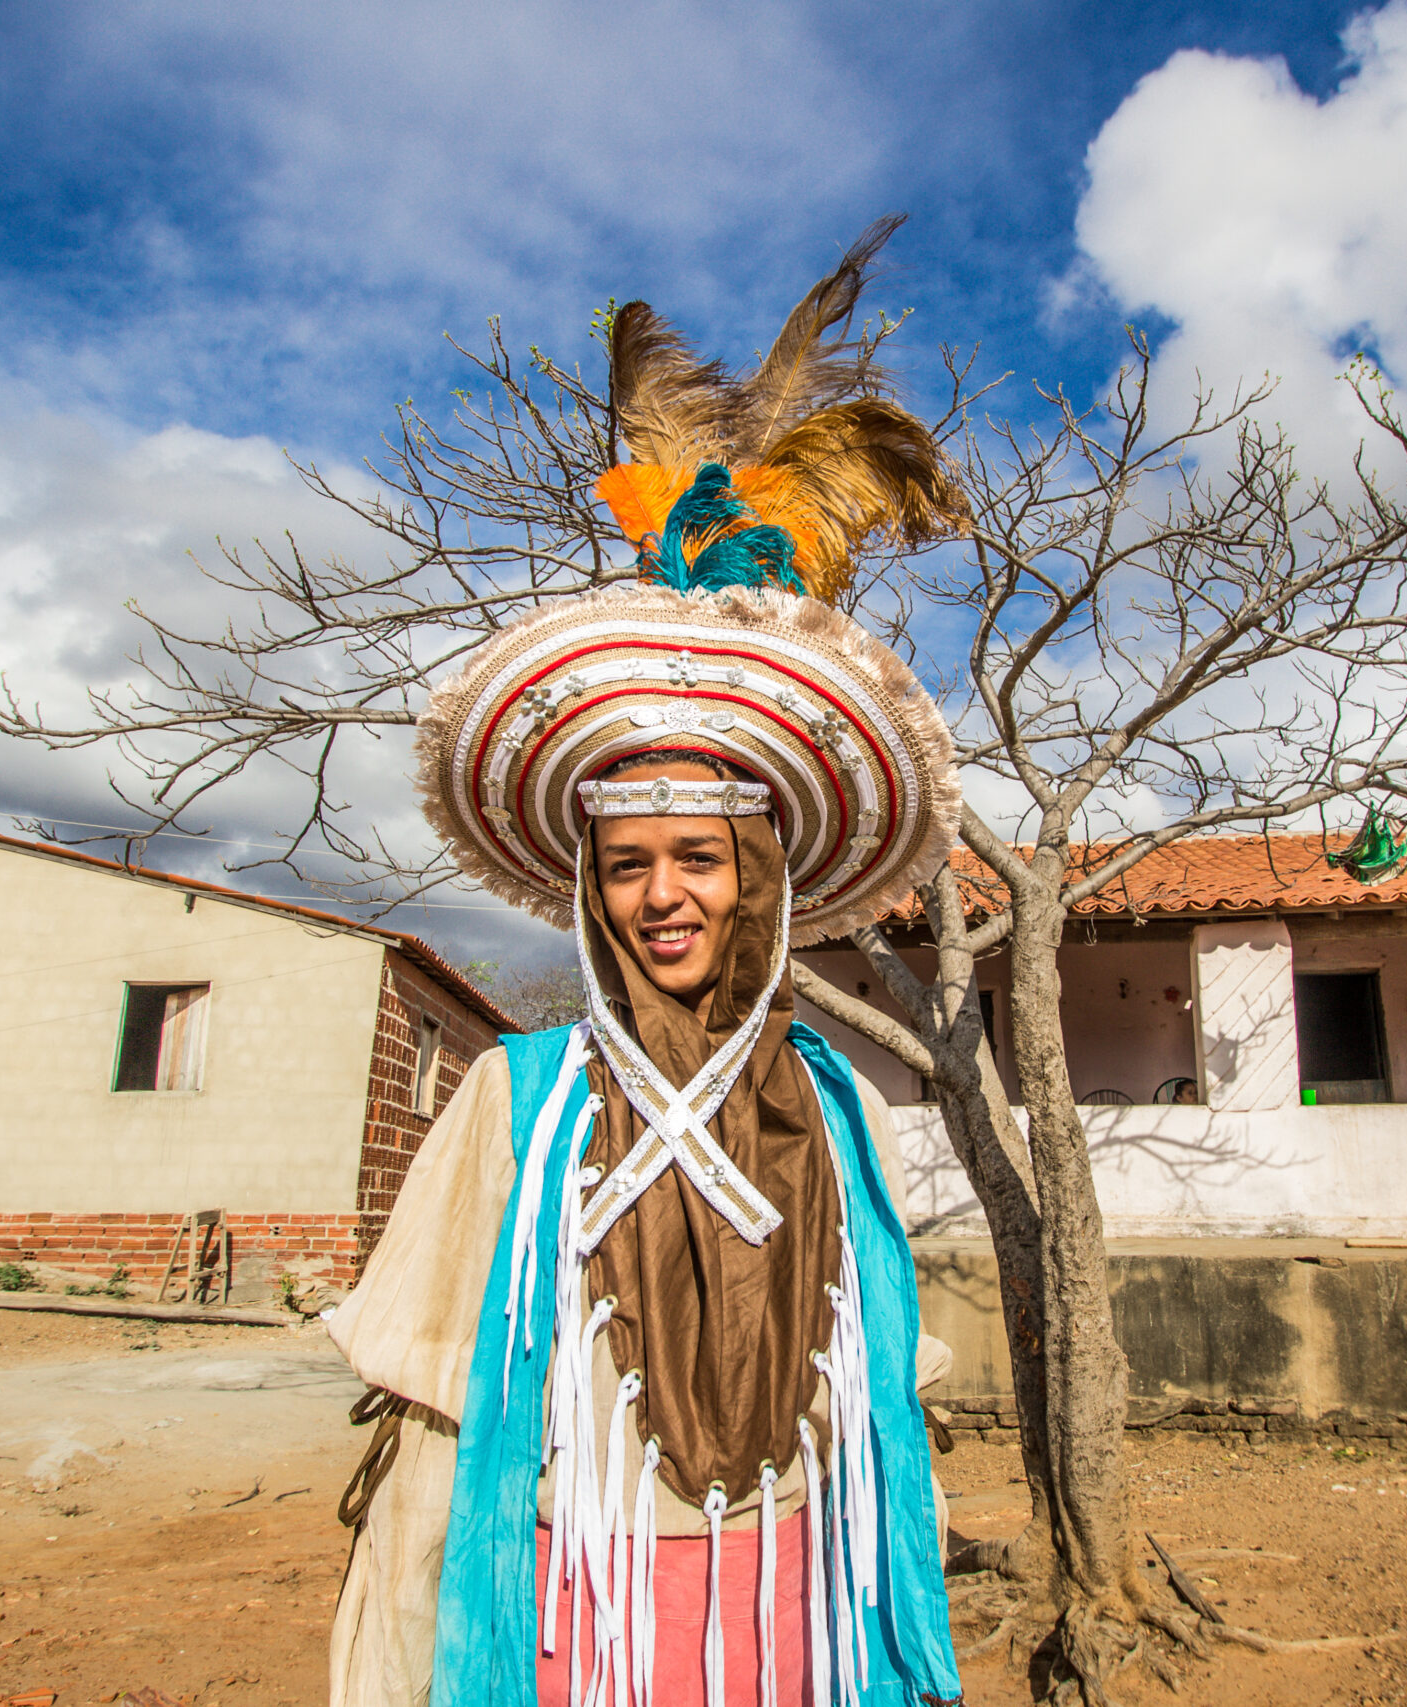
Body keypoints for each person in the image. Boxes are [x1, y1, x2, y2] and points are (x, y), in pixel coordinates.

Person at [324, 229, 970, 1707]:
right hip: (572, 1621)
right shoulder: (516, 1098)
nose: (663, 892)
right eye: (627, 862)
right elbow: (431, 1440)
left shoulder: (828, 1103)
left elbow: (874, 1418)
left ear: (761, 880)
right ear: (586, 884)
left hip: (789, 1618)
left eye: (700, 856)